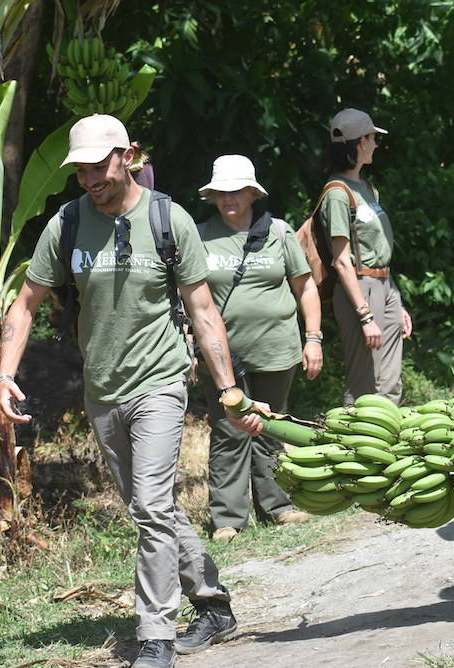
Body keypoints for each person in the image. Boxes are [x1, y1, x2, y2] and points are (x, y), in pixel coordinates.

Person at [0, 115, 261, 668]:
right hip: (103, 388)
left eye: (100, 165)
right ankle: (214, 606)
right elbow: (25, 304)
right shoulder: (66, 225)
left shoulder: (169, 219)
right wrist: (4, 375)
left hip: (161, 380)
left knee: (151, 504)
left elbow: (203, 310)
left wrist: (228, 390)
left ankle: (156, 635)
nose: (91, 178)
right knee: (152, 507)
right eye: (82, 170)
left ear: (129, 155)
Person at [195, 154, 323, 542]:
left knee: (271, 426)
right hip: (222, 356)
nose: (228, 198)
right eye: (221, 192)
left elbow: (306, 287)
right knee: (229, 430)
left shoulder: (279, 233)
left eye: (236, 191)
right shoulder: (200, 236)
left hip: (276, 350)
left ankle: (278, 506)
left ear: (252, 193)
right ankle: (228, 518)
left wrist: (313, 337)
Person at [321, 108, 412, 404]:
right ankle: (354, 445)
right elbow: (341, 260)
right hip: (359, 289)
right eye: (373, 138)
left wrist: (395, 300)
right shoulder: (338, 193)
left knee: (390, 382)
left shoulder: (368, 188)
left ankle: (386, 446)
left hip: (384, 286)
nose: (376, 144)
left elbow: (380, 251)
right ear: (360, 142)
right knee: (364, 383)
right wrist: (365, 315)